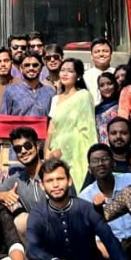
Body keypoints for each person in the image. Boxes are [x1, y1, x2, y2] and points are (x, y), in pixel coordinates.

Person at [27, 159, 131, 260]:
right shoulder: (37, 214)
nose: (56, 185)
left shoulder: (86, 208)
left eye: (60, 179)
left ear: (69, 180)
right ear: (42, 185)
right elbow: (33, 250)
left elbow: (110, 241)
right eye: (50, 181)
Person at [46, 58, 96, 192]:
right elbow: (51, 128)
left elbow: (88, 130)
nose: (65, 74)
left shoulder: (83, 96)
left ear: (78, 75)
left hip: (76, 153)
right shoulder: (55, 99)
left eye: (70, 71)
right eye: (62, 70)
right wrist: (46, 151)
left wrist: (63, 149)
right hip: (54, 153)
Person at [0, 127, 53, 239]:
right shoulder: (17, 179)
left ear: (37, 145)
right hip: (36, 236)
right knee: (20, 221)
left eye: (27, 146)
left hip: (61, 228)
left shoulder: (53, 172)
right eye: (18, 149)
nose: (23, 151)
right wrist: (3, 195)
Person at [80, 144, 131, 209]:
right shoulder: (85, 197)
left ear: (114, 163)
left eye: (104, 159)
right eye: (95, 161)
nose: (100, 164)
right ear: (89, 169)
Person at [1, 52, 56, 117]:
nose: (31, 68)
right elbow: (3, 119)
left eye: (35, 65)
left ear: (41, 68)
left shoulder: (49, 92)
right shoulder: (11, 92)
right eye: (27, 65)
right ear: (21, 68)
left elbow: (54, 120)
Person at [84, 37, 115, 103]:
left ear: (111, 54)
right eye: (97, 52)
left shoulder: (117, 74)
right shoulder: (85, 77)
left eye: (105, 51)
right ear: (91, 56)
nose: (101, 54)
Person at [94, 72, 121, 143]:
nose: (106, 88)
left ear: (115, 85)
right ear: (99, 89)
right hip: (102, 148)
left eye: (109, 84)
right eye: (102, 85)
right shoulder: (96, 110)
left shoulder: (122, 105)